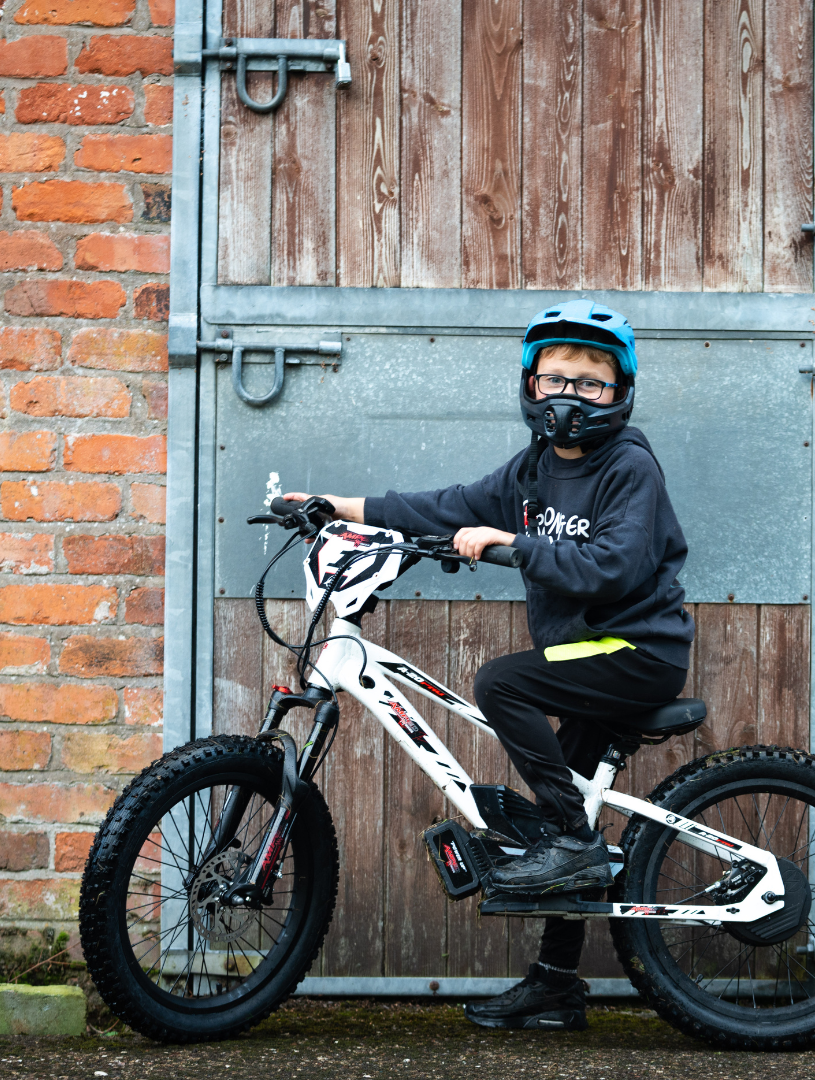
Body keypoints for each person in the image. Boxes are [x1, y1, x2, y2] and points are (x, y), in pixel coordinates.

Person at [285, 299, 694, 1030]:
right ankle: (556, 983)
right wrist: (335, 506)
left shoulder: (629, 466)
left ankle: (572, 844)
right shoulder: (535, 468)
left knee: (502, 683)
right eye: (555, 379)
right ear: (531, 386)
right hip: (583, 656)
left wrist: (510, 544)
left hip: (638, 652)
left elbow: (612, 565)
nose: (570, 396)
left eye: (590, 382)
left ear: (619, 391)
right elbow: (446, 506)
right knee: (558, 810)